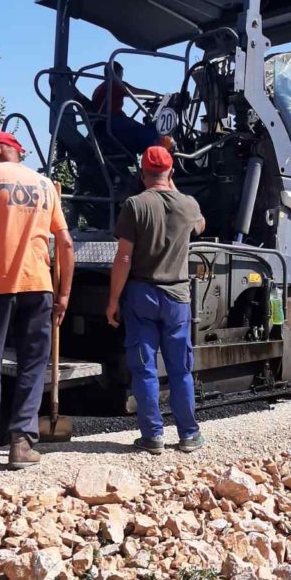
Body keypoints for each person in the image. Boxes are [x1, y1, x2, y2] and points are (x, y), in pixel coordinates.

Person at [0, 130, 75, 469]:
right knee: (33, 365)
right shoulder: (45, 185)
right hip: (39, 287)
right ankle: (22, 444)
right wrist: (64, 293)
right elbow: (65, 244)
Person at [106, 145, 205, 454]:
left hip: (141, 295)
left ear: (142, 173)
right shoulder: (188, 205)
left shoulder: (135, 205)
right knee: (180, 370)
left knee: (145, 368)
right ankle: (188, 434)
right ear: (171, 172)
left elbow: (123, 257)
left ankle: (153, 437)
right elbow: (200, 226)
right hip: (177, 298)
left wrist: (113, 300)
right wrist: (172, 187)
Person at [92, 61, 160, 156]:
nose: (121, 78)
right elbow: (136, 92)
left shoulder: (99, 88)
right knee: (153, 136)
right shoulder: (114, 84)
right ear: (117, 73)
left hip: (103, 125)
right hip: (114, 124)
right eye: (121, 75)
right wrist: (160, 97)